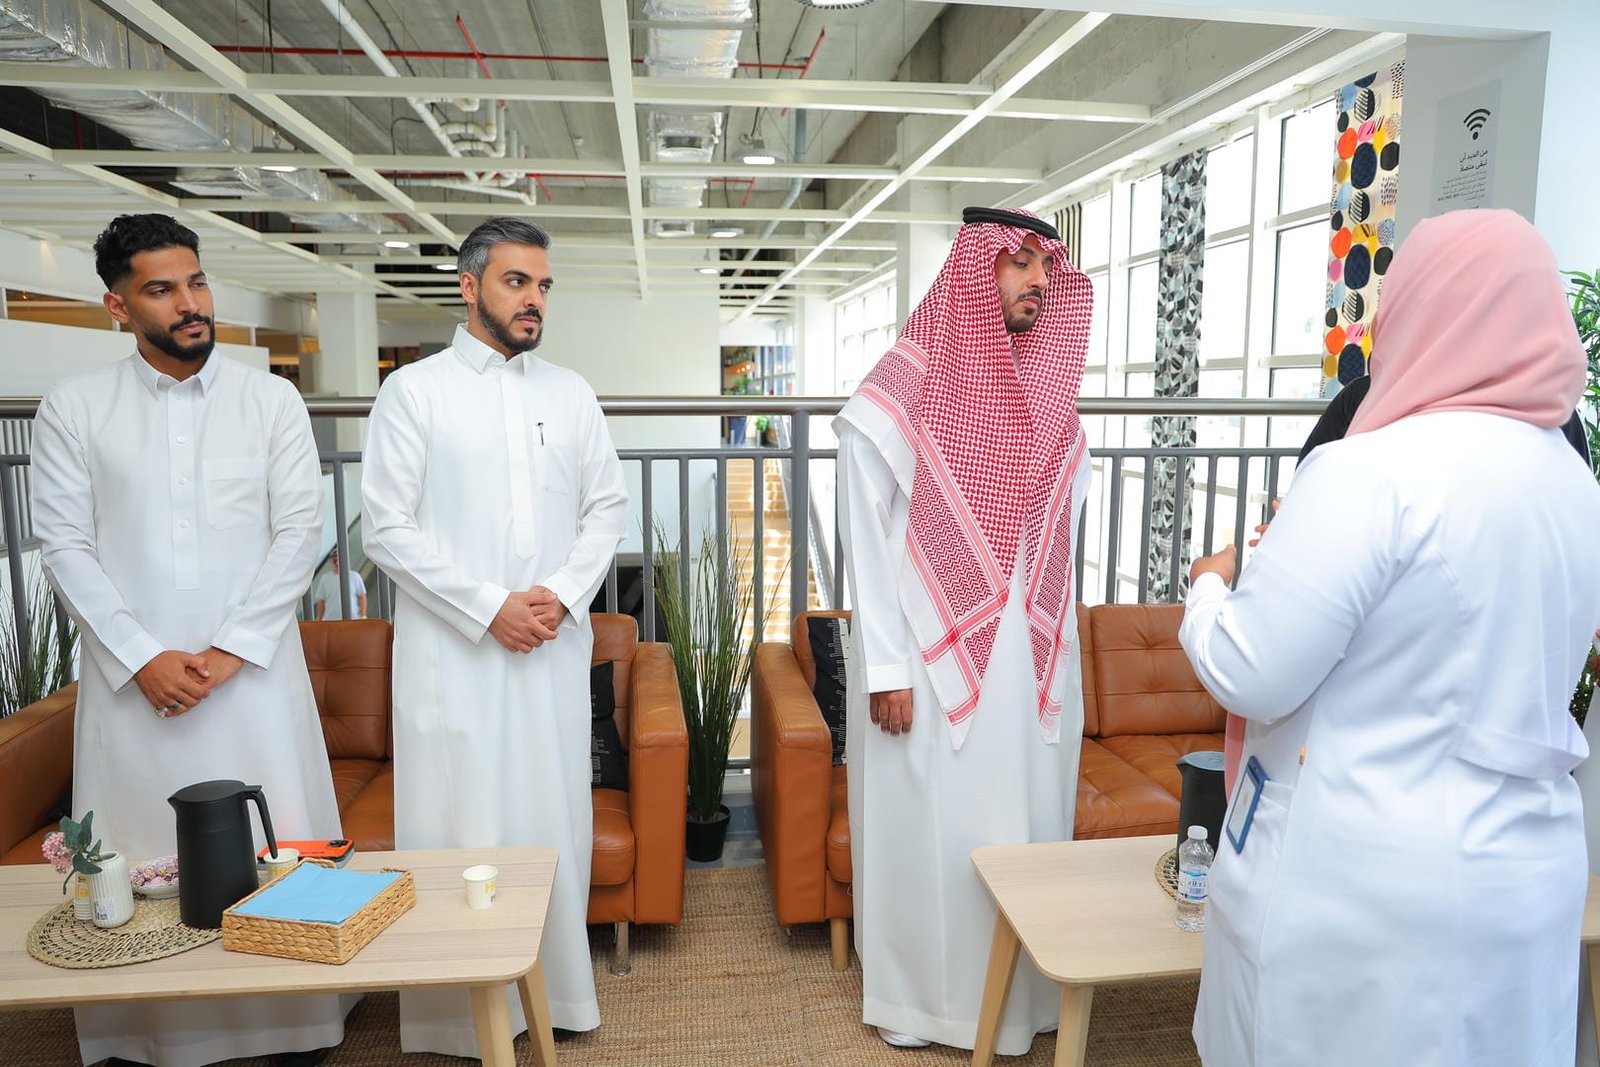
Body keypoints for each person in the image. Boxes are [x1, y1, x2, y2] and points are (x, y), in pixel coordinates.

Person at [1178, 209, 1600, 1066]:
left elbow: (1251, 669)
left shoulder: (1372, 471)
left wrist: (1207, 588)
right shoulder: (1575, 481)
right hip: (1527, 875)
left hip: (1364, 893)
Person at [30, 214, 345, 1067]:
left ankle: (294, 1026)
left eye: (197, 282)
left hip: (254, 680)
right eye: (162, 290)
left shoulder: (270, 399)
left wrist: (233, 648)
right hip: (135, 690)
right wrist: (142, 657)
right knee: (143, 858)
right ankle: (148, 1035)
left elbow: (300, 531)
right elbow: (64, 545)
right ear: (118, 306)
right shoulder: (75, 407)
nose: (190, 303)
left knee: (277, 848)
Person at [361, 216, 628, 1055]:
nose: (534, 299)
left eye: (543, 285)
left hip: (549, 647)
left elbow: (607, 509)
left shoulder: (571, 392)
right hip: (456, 656)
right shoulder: (414, 392)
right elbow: (386, 528)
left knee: (551, 822)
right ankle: (458, 1019)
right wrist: (488, 606)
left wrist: (559, 594)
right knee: (462, 825)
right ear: (470, 286)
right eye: (517, 281)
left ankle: (561, 998)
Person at [834, 206, 1093, 1054]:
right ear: (976, 270)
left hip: (1029, 663)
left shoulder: (1052, 394)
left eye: (1045, 265)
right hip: (923, 657)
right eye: (1018, 262)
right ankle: (923, 1005)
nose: (1037, 280)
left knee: (1022, 824)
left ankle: (1023, 999)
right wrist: (884, 669)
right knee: (930, 832)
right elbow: (865, 535)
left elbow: (1060, 540)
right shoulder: (902, 387)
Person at [312, 551, 367, 620]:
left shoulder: (355, 576)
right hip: (330, 621)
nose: (337, 563)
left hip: (352, 619)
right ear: (330, 562)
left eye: (339, 560)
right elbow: (321, 601)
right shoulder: (325, 579)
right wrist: (319, 618)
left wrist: (363, 615)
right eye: (334, 561)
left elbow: (362, 597)